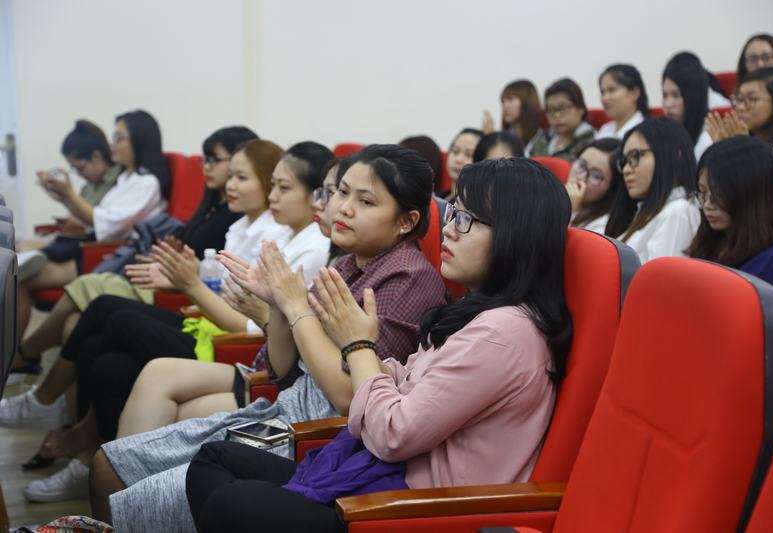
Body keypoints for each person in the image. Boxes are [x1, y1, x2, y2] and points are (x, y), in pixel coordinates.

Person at [184, 156, 574, 532]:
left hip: (408, 509)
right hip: (378, 475)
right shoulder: (476, 312)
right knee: (214, 459)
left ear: (517, 237)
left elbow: (392, 433)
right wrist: (360, 353)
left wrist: (357, 346)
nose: (450, 230)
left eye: (467, 220)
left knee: (232, 503)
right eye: (453, 212)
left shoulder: (501, 334)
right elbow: (401, 379)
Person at [87, 145, 448, 532]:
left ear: (406, 221)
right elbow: (283, 368)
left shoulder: (408, 279)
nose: (343, 208)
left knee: (118, 477)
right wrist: (277, 306)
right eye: (342, 192)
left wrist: (295, 306)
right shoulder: (347, 263)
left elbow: (349, 399)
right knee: (108, 464)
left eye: (365, 201)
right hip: (283, 410)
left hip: (315, 437)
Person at [0, 139, 298, 503]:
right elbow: (226, 291)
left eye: (282, 187)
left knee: (110, 314)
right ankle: (87, 455)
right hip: (207, 321)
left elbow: (254, 325)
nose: (230, 184)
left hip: (228, 343)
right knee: (103, 358)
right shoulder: (242, 225)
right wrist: (185, 278)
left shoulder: (291, 244)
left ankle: (59, 417)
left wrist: (189, 283)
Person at [5, 126, 256, 388]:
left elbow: (108, 227)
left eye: (216, 161)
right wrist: (172, 259)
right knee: (75, 322)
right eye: (205, 160)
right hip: (164, 281)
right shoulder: (212, 206)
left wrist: (184, 272)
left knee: (86, 292)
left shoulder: (235, 219)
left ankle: (27, 359)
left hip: (178, 295)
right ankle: (48, 393)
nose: (206, 167)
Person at [14, 110, 170, 379]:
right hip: (98, 248)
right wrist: (63, 196)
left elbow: (106, 225)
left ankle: (24, 355)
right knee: (17, 275)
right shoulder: (125, 179)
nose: (112, 145)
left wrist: (68, 193)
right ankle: (21, 354)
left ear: (139, 140)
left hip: (111, 256)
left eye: (119, 138)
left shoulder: (147, 183)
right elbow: (93, 222)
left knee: (20, 278)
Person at [687, 136, 773, 289]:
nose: (707, 205)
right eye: (703, 193)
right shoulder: (714, 242)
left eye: (719, 194)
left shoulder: (772, 261)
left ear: (752, 195)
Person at [605, 117, 700, 263]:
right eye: (624, 161)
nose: (626, 170)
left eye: (635, 156)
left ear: (673, 154)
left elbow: (661, 277)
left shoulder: (679, 212)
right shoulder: (647, 210)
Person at [707, 68, 773, 180]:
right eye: (739, 99)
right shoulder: (740, 134)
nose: (740, 107)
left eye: (752, 99)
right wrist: (721, 151)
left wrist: (742, 149)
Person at [565, 138, 623, 234]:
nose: (581, 177)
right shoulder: (554, 193)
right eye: (581, 165)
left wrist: (567, 210)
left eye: (595, 175)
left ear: (611, 189)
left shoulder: (601, 227)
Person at [530, 78, 596, 161]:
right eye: (551, 109)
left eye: (563, 108)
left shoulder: (591, 141)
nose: (557, 115)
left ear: (581, 108)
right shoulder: (544, 137)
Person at [662, 58, 714, 160]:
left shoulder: (707, 141)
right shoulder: (666, 137)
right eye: (665, 95)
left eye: (676, 95)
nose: (668, 104)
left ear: (693, 98)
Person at [482, 79, 541, 155]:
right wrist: (490, 138)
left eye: (510, 99)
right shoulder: (504, 138)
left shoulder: (542, 138)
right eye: (503, 101)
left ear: (527, 101)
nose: (505, 106)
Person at [596, 64, 649, 140]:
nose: (605, 98)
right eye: (602, 92)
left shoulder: (645, 130)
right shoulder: (605, 130)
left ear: (634, 93)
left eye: (612, 90)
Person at [441, 128, 482, 201]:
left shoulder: (474, 205)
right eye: (455, 151)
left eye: (469, 154)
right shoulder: (437, 197)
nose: (459, 160)